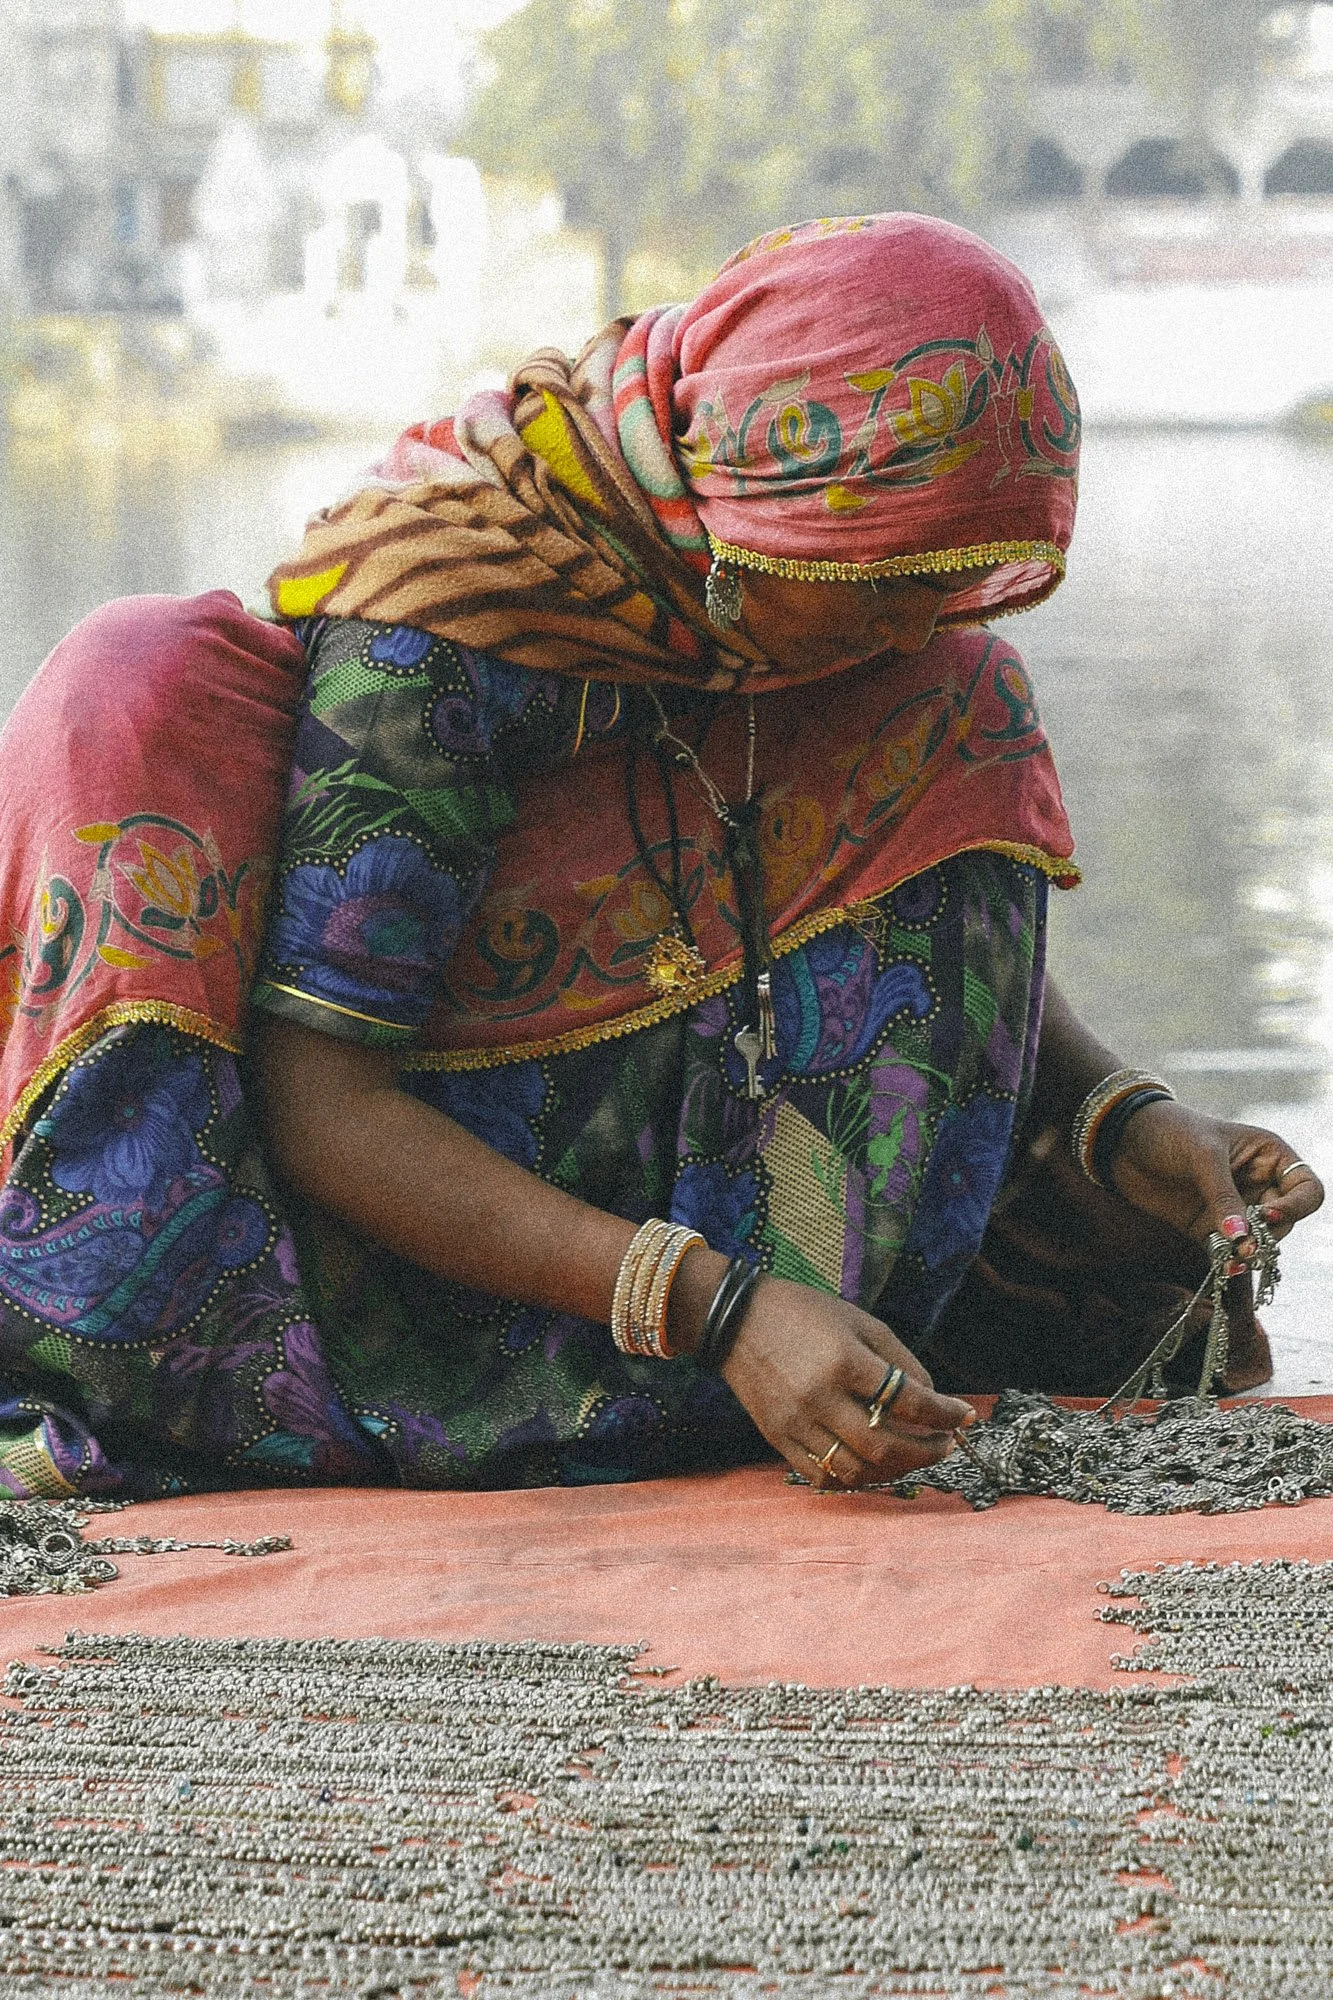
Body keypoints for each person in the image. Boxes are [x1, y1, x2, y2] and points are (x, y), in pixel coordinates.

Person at [0, 213, 1321, 1502]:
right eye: (895, 583)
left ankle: (846, 1317)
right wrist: (721, 1311)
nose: (932, 621)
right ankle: (714, 1364)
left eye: (959, 579)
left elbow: (943, 944)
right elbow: (325, 1106)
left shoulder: (875, 653)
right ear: (762, 525)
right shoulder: (444, 629)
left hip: (742, 1217)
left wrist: (1121, 1118)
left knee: (964, 702)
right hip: (444, 1271)